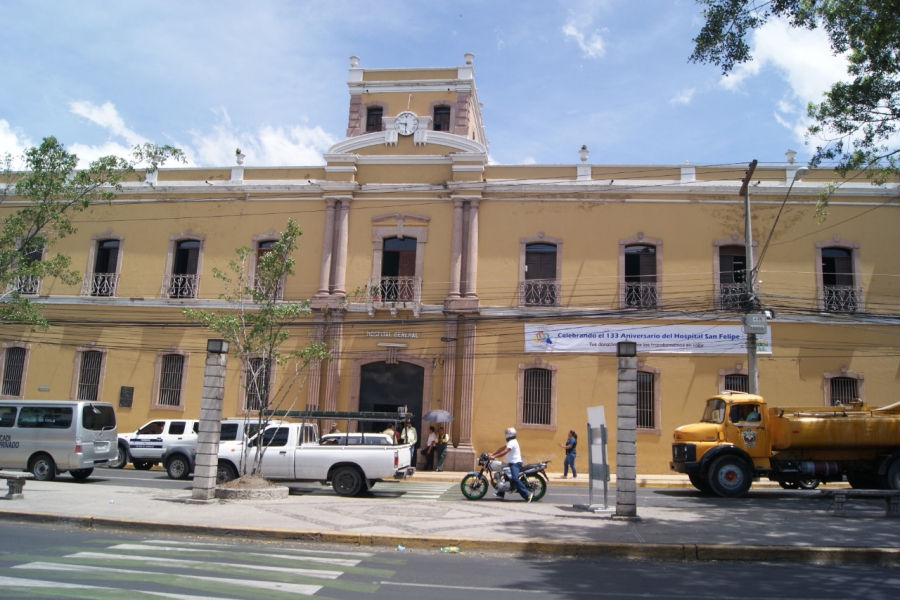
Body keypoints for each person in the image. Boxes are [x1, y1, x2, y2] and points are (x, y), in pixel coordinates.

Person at [488, 427, 533, 502]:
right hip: (511, 463)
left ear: (509, 435)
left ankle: (527, 494)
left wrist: (494, 457)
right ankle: (501, 493)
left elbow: (504, 451)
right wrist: (492, 453)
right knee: (505, 475)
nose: (505, 435)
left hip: (515, 464)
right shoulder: (510, 442)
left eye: (506, 434)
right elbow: (501, 449)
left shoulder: (512, 442)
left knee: (514, 478)